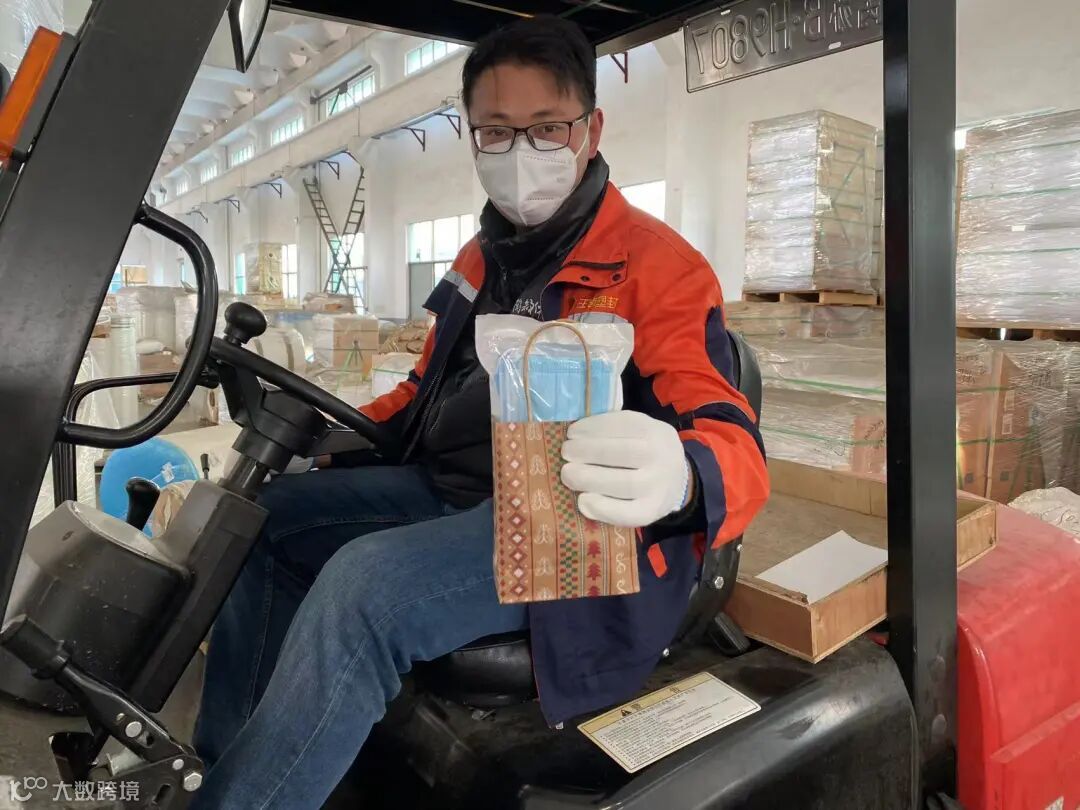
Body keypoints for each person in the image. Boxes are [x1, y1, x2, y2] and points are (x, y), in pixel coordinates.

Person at [192, 15, 769, 809]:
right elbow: (424, 391)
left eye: (546, 128)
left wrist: (684, 475)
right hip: (452, 491)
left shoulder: (656, 267)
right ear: (472, 136)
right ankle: (231, 766)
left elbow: (734, 441)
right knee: (262, 519)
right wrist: (324, 436)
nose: (520, 152)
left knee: (367, 585)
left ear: (591, 129)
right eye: (496, 131)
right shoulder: (479, 259)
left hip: (566, 528)